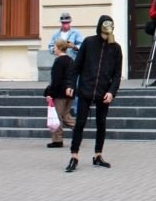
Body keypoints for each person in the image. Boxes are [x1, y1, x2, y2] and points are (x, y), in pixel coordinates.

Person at [64, 15, 122, 173]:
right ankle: (74, 156)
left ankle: (98, 155)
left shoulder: (115, 48)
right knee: (80, 123)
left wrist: (112, 92)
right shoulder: (89, 43)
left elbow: (117, 75)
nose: (106, 33)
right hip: (86, 89)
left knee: (101, 124)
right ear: (99, 28)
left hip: (104, 92)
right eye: (104, 29)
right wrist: (70, 84)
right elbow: (76, 66)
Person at [48, 12, 83, 115]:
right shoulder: (56, 34)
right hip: (60, 62)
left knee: (74, 85)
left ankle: (77, 110)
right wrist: (54, 49)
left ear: (70, 23)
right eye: (63, 23)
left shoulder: (75, 33)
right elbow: (50, 46)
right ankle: (61, 108)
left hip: (72, 63)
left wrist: (73, 47)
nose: (65, 25)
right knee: (58, 83)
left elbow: (82, 46)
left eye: (67, 23)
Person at [43, 39, 76, 148]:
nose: (53, 48)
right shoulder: (70, 60)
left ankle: (57, 140)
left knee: (57, 116)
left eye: (55, 47)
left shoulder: (59, 61)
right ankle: (78, 130)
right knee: (66, 115)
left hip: (60, 93)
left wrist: (49, 93)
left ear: (60, 48)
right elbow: (73, 76)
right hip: (70, 92)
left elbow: (56, 80)